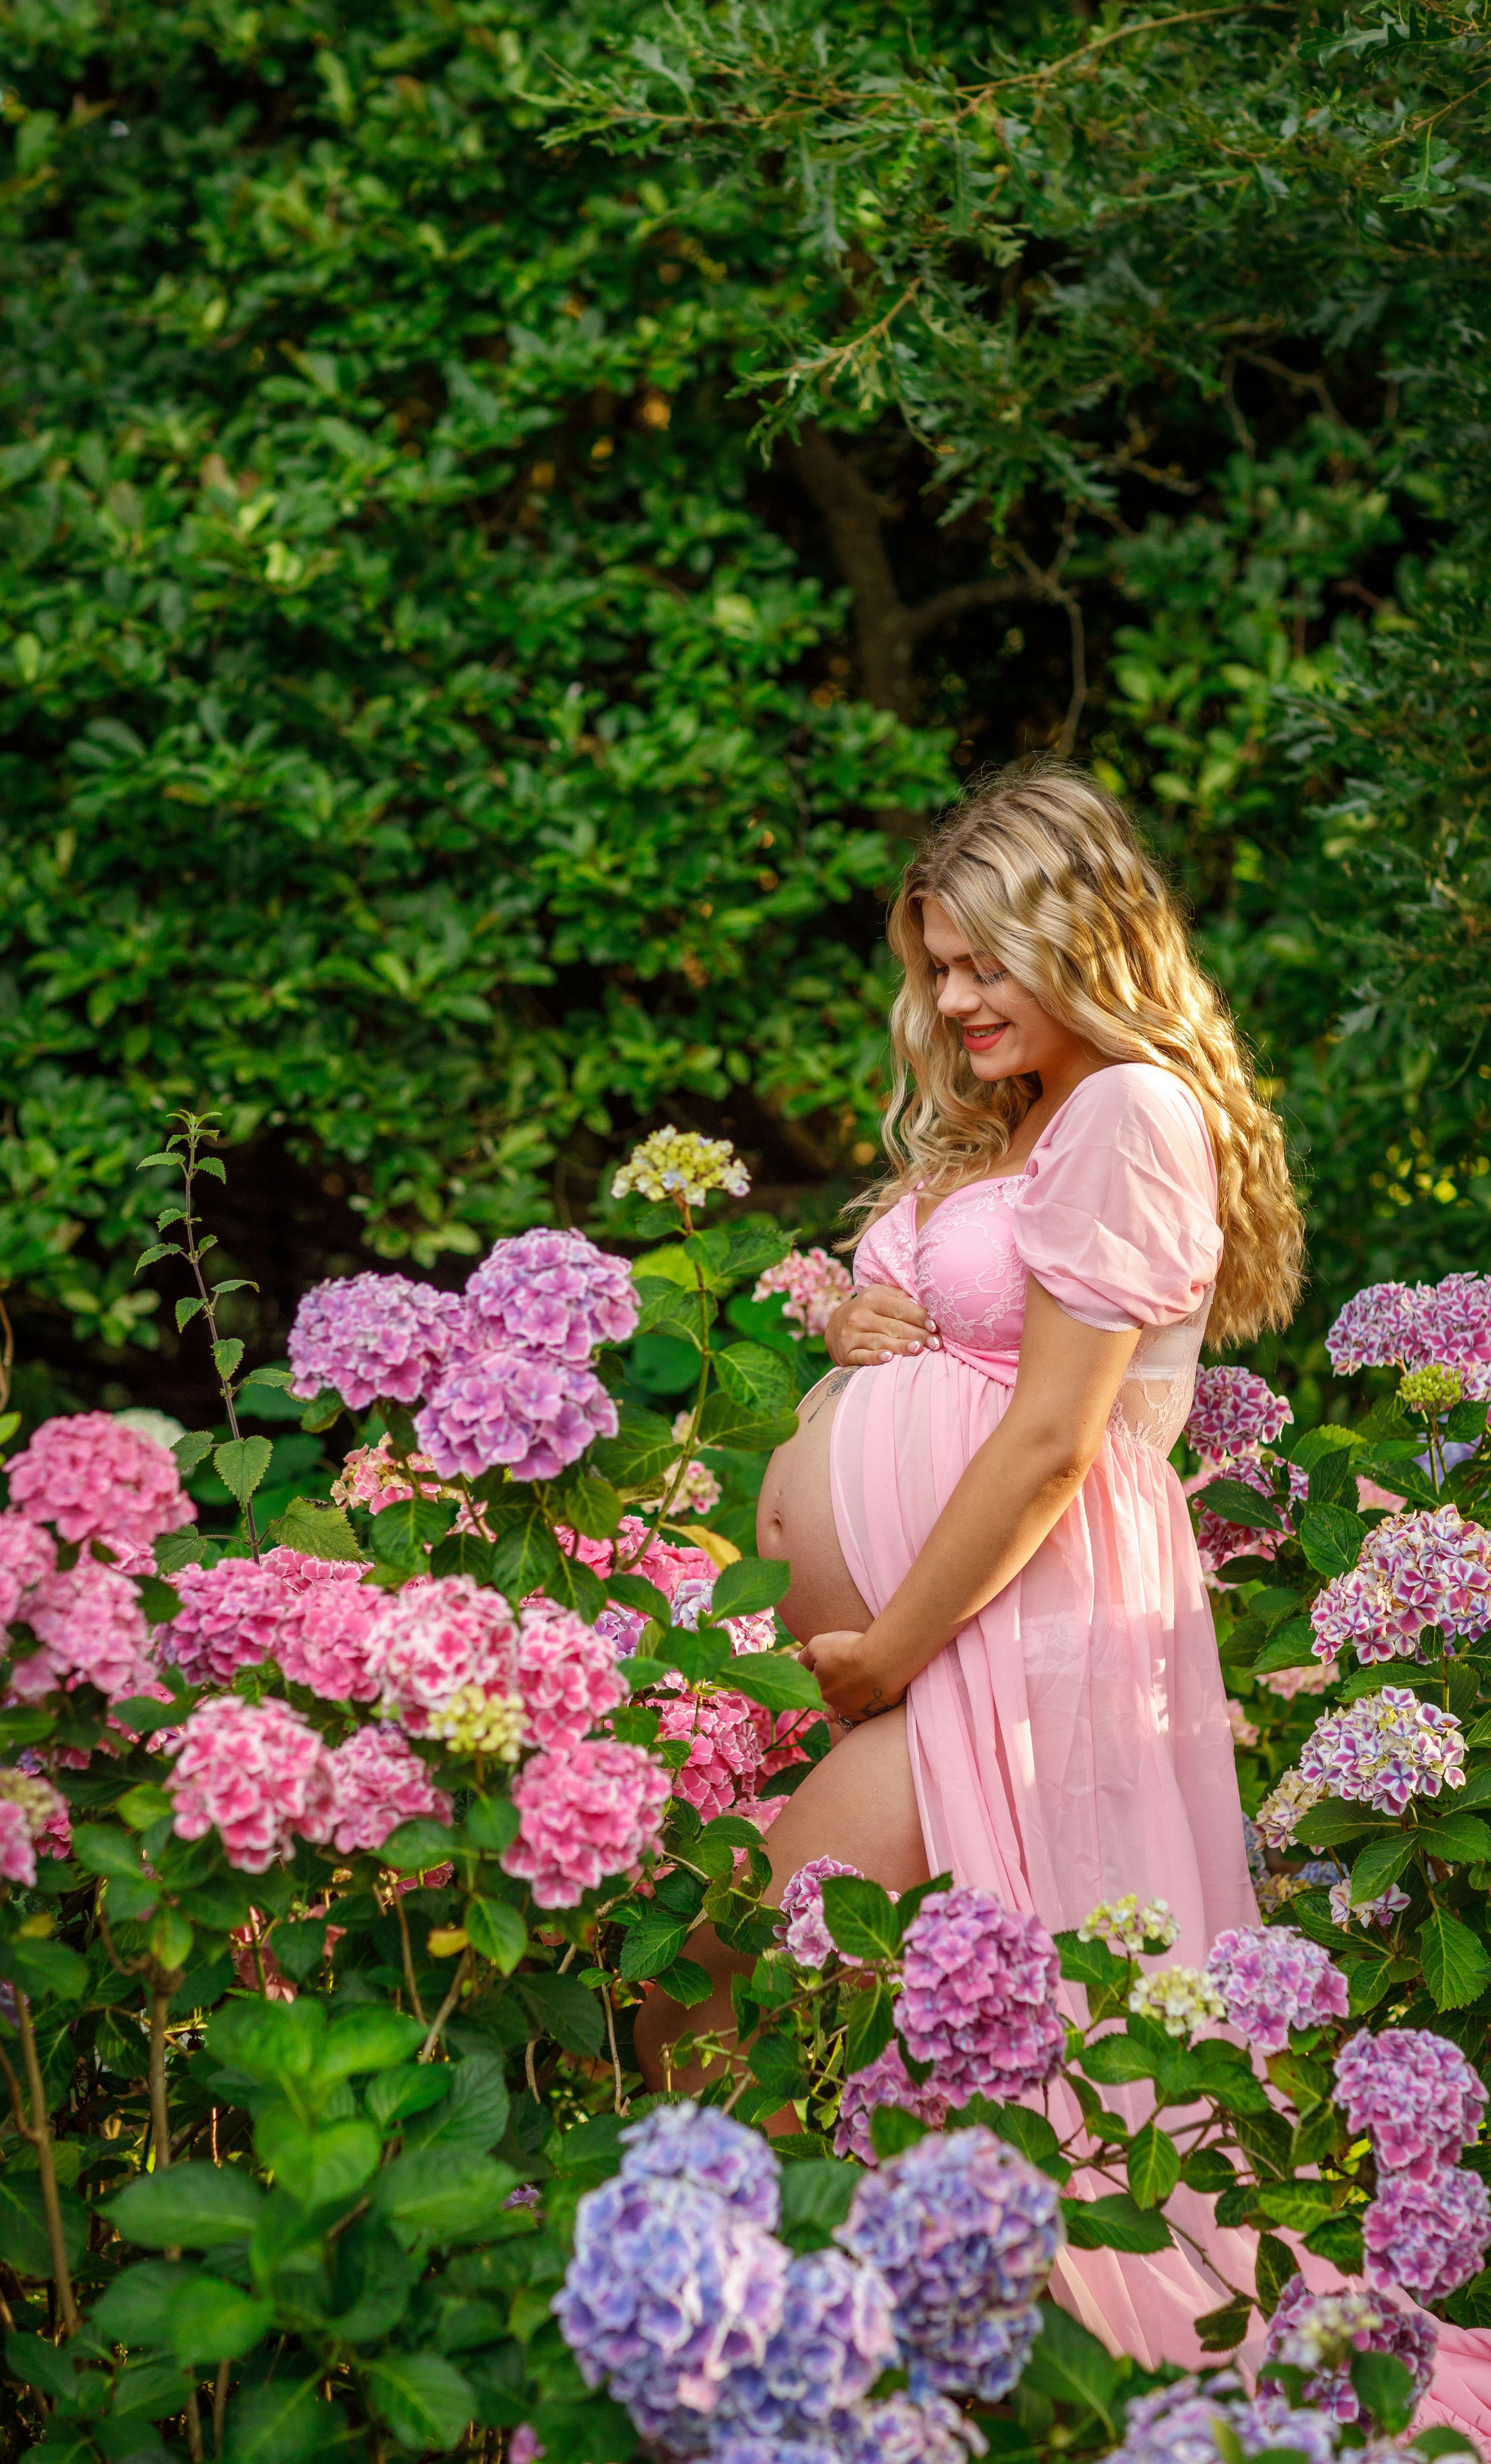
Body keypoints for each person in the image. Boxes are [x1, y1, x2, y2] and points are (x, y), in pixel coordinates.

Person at [634, 759, 1308, 2370]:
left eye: (982, 962)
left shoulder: (1129, 1108)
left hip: (1000, 1643)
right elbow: (984, 1346)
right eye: (936, 968)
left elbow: (1054, 1441)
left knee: (727, 1986)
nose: (949, 1001)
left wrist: (885, 1652)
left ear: (1083, 935)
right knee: (825, 2027)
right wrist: (862, 1326)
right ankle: (814, 2364)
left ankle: (739, 2361)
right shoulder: (1030, 1120)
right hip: (953, 1646)